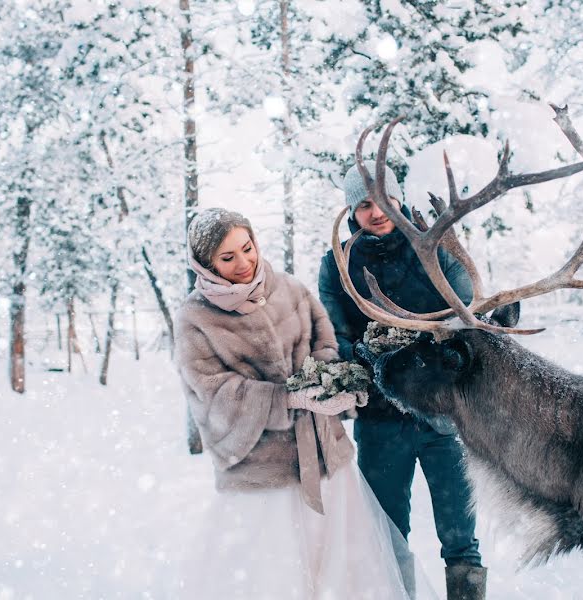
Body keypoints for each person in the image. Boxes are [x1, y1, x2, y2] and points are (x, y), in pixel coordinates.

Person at [174, 207, 438, 600]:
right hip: (263, 475)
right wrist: (286, 399)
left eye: (247, 248)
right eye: (227, 258)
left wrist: (335, 387)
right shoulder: (195, 319)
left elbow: (325, 344)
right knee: (275, 577)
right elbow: (211, 393)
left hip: (326, 461)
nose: (244, 263)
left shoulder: (291, 290)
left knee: (344, 573)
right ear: (205, 264)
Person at [318, 165, 488, 600]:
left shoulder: (434, 247)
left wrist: (439, 350)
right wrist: (368, 351)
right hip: (381, 419)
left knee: (461, 539)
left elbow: (467, 312)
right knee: (387, 537)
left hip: (444, 417)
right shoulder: (337, 263)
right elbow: (336, 336)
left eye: (382, 199)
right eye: (362, 205)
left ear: (398, 197)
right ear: (351, 213)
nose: (376, 212)